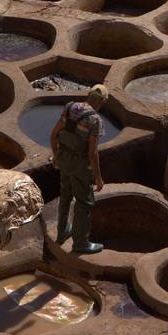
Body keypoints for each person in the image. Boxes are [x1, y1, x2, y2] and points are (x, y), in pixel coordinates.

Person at [50, 85, 108, 254]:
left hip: (64, 159)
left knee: (66, 195)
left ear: (88, 94)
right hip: (79, 166)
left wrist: (56, 157)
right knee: (85, 202)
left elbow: (54, 135)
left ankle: (62, 233)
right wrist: (98, 177)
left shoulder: (70, 107)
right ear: (103, 101)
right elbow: (92, 152)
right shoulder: (95, 120)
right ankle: (81, 243)